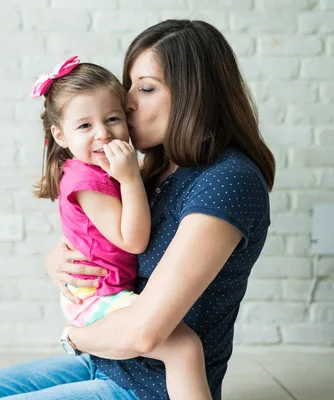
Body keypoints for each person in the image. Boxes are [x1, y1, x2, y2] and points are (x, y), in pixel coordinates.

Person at [0, 19, 275, 400]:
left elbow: (145, 332)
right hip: (108, 363)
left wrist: (74, 335)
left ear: (194, 95)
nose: (128, 101)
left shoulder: (227, 180)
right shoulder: (155, 170)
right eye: (129, 85)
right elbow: (105, 238)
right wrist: (58, 258)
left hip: (150, 385)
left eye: (146, 88)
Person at [30, 55, 211, 399]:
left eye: (113, 119)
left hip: (101, 294)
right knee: (184, 349)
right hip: (98, 299)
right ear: (61, 135)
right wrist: (129, 178)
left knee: (178, 348)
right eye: (85, 126)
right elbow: (135, 239)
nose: (102, 133)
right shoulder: (88, 179)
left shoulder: (95, 171)